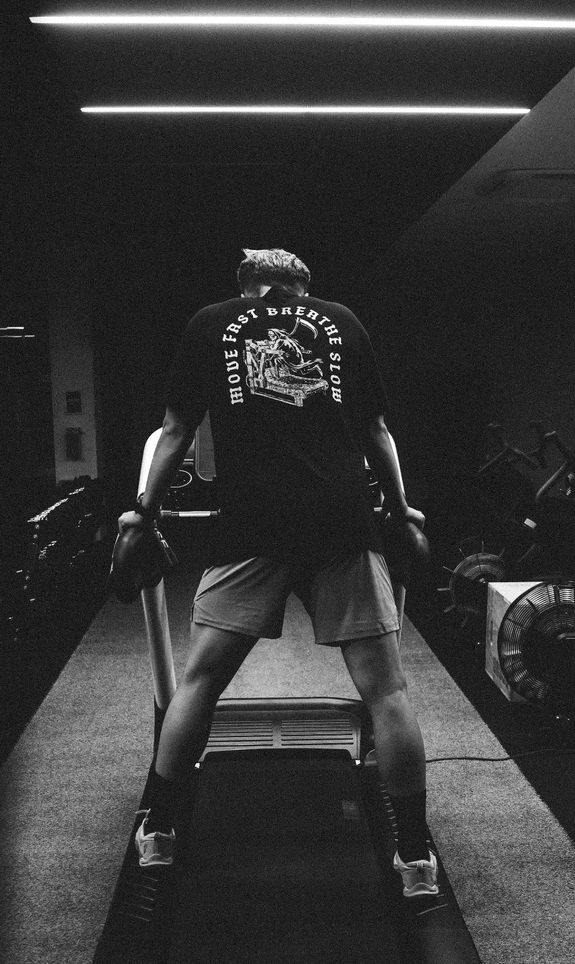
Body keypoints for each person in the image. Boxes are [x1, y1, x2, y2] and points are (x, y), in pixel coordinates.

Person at [118, 248, 438, 898]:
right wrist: (401, 508)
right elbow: (376, 428)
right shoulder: (343, 319)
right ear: (302, 286)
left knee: (199, 683)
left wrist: (142, 512)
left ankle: (160, 830)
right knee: (386, 691)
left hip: (252, 524)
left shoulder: (212, 321)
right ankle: (414, 856)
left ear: (247, 286)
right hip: (342, 520)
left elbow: (176, 429)